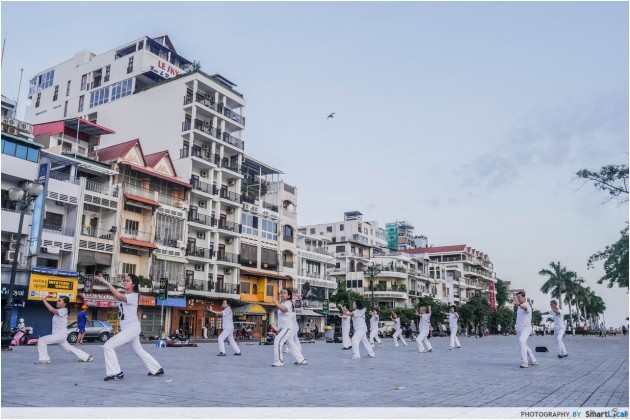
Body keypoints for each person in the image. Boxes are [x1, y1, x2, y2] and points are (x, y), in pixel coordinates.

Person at [96, 273, 164, 380]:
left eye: (128, 281)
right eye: (125, 280)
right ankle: (157, 368)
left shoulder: (134, 296)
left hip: (132, 328)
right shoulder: (128, 295)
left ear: (133, 284)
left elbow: (118, 296)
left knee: (108, 346)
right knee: (139, 351)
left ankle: (115, 373)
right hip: (129, 328)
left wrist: (107, 283)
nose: (125, 282)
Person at [35, 295, 93, 364]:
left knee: (41, 341)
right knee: (68, 349)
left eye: (60, 301)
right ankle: (86, 357)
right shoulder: (61, 311)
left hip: (59, 335)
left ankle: (44, 359)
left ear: (65, 304)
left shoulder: (64, 310)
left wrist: (44, 300)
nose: (57, 302)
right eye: (58, 300)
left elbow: (52, 310)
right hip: (59, 335)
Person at [271, 288, 307, 367]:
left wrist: (274, 301)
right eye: (282, 293)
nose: (282, 294)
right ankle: (301, 359)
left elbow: (284, 309)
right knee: (290, 343)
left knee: (277, 341)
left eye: (284, 293)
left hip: (287, 327)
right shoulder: (284, 303)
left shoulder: (288, 303)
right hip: (284, 327)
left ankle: (279, 360)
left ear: (288, 296)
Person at [514, 291, 537, 368]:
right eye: (517, 297)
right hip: (519, 329)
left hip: (526, 328)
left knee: (522, 341)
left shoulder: (527, 305)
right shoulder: (519, 307)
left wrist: (519, 304)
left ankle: (525, 362)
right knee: (523, 345)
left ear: (524, 298)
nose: (518, 299)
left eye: (519, 297)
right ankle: (533, 360)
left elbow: (525, 308)